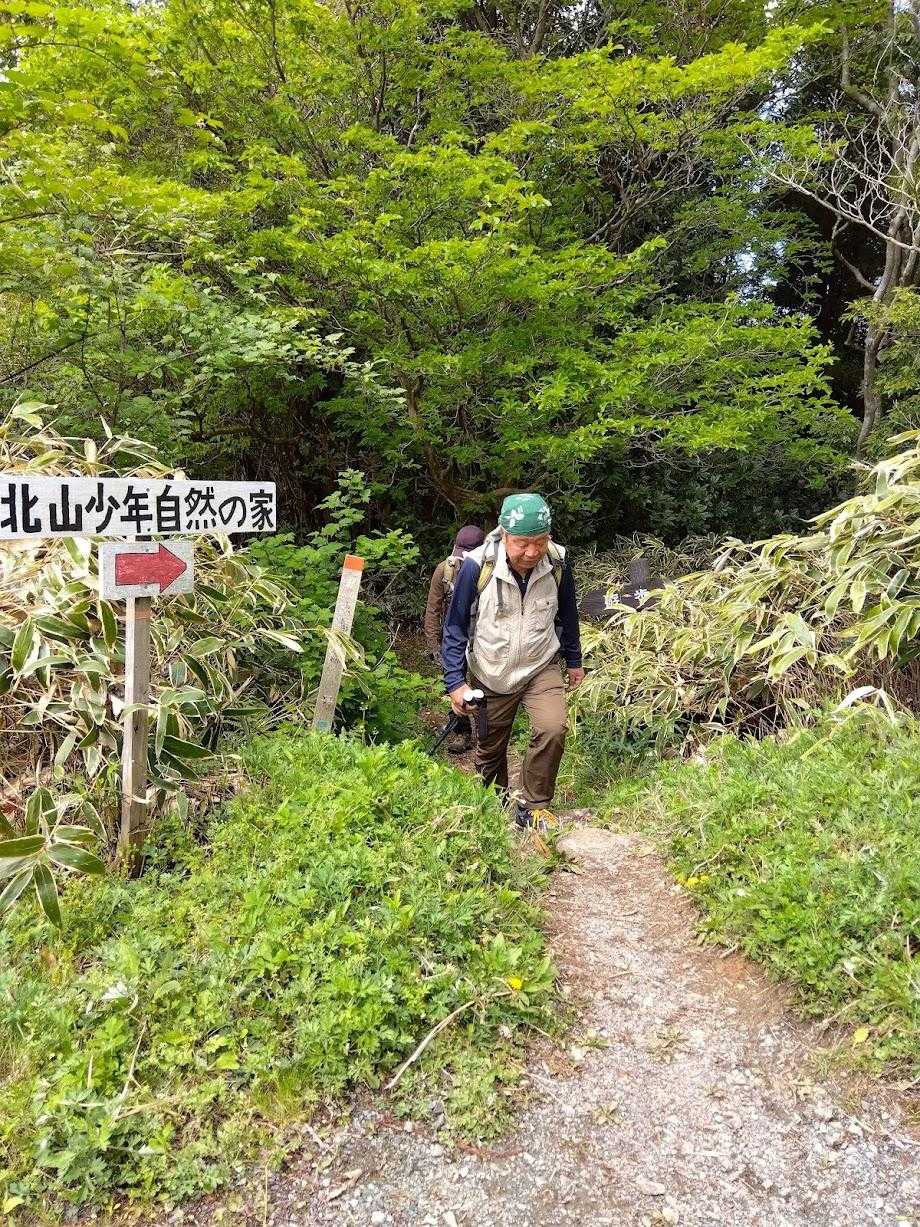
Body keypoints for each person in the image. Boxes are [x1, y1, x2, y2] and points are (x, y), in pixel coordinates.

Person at [441, 493, 584, 830]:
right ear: (504, 534)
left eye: (540, 542)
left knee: (552, 728)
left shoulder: (558, 562)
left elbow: (568, 612)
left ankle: (535, 806)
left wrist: (574, 659)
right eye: (523, 543)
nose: (532, 552)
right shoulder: (477, 566)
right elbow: (455, 626)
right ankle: (495, 804)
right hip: (491, 671)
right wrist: (455, 683)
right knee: (490, 750)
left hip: (540, 664)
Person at [424, 524, 485, 752]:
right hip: (455, 637)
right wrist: (435, 646)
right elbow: (433, 609)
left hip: (483, 638)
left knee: (482, 685)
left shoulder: (490, 570)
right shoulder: (444, 570)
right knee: (455, 683)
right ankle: (462, 732)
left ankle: (486, 735)